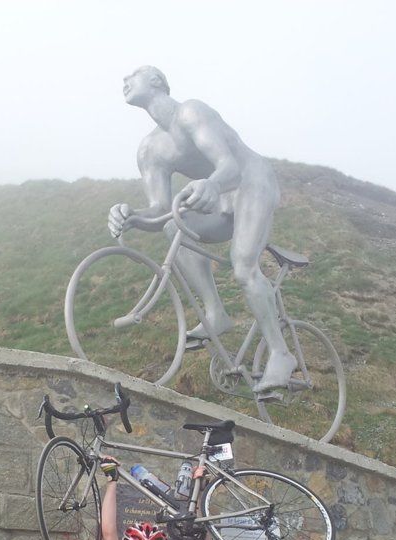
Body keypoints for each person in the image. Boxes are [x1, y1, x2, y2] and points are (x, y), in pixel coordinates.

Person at [107, 66, 294, 393]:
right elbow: (161, 211)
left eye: (132, 75)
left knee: (244, 267)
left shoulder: (190, 112)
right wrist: (130, 215)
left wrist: (210, 183)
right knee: (172, 229)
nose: (124, 81)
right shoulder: (150, 149)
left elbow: (231, 168)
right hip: (218, 196)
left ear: (156, 82)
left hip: (251, 182)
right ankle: (215, 312)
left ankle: (281, 353)